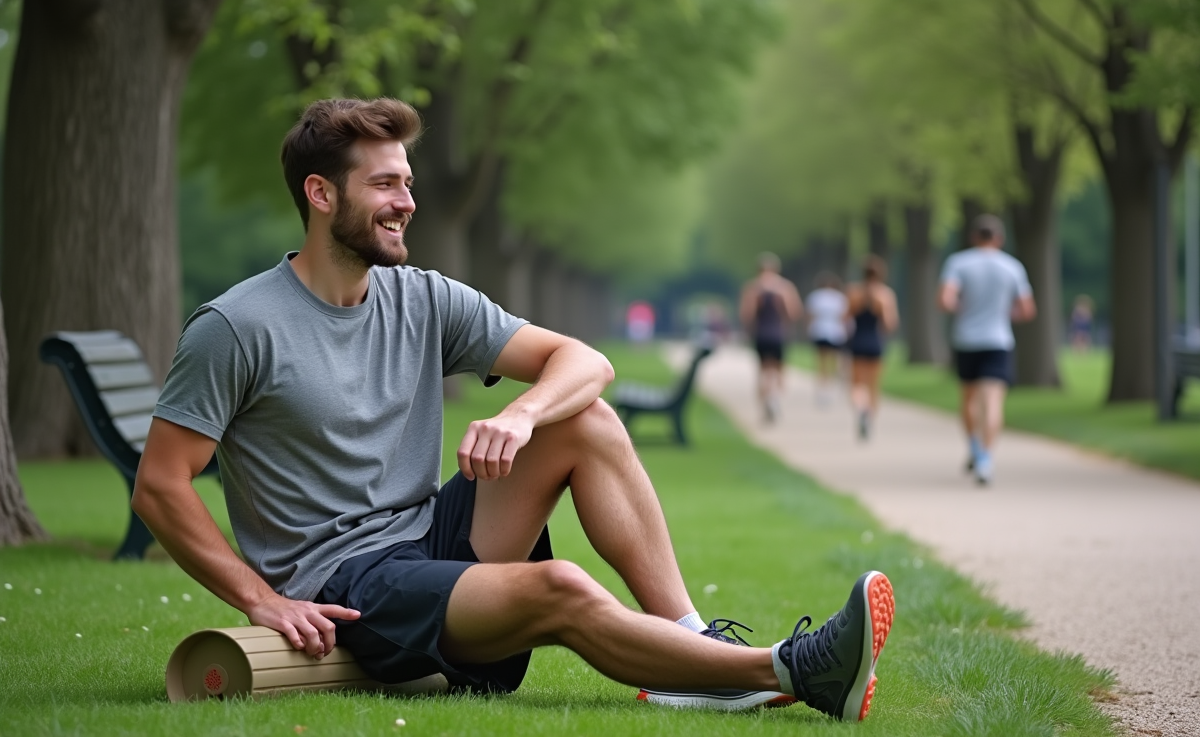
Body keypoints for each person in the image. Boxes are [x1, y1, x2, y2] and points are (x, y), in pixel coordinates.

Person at [131, 98, 894, 720]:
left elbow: (586, 363)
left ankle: (689, 644)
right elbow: (161, 485)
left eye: (408, 182)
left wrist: (521, 414)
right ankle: (793, 670)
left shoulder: (422, 297)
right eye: (385, 185)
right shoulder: (237, 327)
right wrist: (261, 600)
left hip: (428, 535)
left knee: (582, 419)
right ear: (321, 194)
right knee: (560, 586)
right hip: (348, 586)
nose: (407, 202)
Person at [938, 214, 1036, 484]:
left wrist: (963, 309)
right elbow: (1027, 309)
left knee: (968, 399)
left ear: (973, 237)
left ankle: (973, 445)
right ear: (999, 239)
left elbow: (945, 300)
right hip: (998, 340)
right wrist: (1005, 313)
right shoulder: (1012, 266)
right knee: (993, 402)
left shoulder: (958, 262)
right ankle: (986, 458)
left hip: (966, 340)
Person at [738, 253, 803, 422]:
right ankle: (774, 396)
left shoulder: (753, 288)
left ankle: (765, 403)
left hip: (761, 334)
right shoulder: (785, 287)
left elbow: (746, 315)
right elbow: (794, 313)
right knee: (778, 370)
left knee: (762, 370)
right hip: (779, 334)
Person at [844, 257, 899, 441]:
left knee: (857, 384)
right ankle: (869, 415)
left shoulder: (853, 292)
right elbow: (890, 324)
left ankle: (860, 410)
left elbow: (844, 319)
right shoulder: (885, 295)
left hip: (857, 341)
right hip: (875, 342)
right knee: (873, 386)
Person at [805, 272, 848, 408]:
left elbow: (810, 315)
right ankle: (831, 385)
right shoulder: (839, 297)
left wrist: (809, 330)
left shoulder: (815, 296)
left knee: (822, 362)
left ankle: (824, 388)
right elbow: (844, 316)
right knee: (833, 361)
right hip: (835, 332)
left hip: (820, 331)